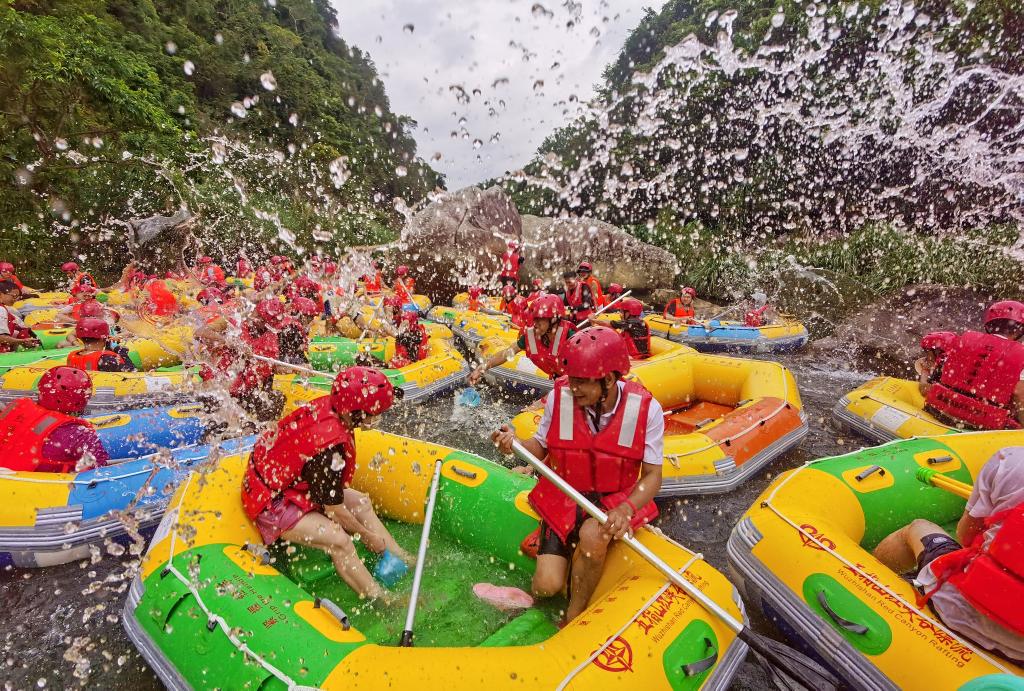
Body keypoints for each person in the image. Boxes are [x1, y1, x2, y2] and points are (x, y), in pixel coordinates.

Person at [491, 326, 664, 622]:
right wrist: (516, 445)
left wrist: (626, 508)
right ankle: (556, 559)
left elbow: (652, 476)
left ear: (608, 379)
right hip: (566, 492)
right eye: (572, 380)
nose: (574, 388)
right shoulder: (561, 397)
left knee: (593, 535)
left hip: (614, 499)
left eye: (583, 382)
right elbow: (541, 447)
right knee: (546, 586)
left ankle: (573, 615)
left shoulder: (647, 410)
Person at [240, 366, 413, 600]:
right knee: (340, 541)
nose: (378, 417)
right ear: (357, 412)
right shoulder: (329, 452)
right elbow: (334, 510)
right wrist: (366, 536)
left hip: (292, 483)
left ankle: (401, 555)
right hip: (272, 501)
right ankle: (384, 599)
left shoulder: (334, 407)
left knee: (360, 502)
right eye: (375, 412)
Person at [872, 446, 1024, 662]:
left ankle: (867, 574)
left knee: (917, 527)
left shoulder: (1011, 460)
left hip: (956, 610)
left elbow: (965, 535)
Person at [924, 301, 1024, 430]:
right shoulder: (1021, 354)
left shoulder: (963, 339)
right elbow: (1019, 394)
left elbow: (939, 373)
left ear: (989, 323)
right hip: (982, 424)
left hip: (939, 409)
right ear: (1020, 330)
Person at [0, 366, 109, 472]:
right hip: (30, 486)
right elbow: (99, 467)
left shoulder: (17, 406)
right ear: (82, 398)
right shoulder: (77, 433)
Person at [468, 294, 574, 386]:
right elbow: (506, 353)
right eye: (534, 319)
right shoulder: (531, 335)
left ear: (553, 319)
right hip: (558, 382)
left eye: (539, 320)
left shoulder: (571, 336)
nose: (534, 324)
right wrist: (481, 368)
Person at [67, 318, 135, 372]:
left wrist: (108, 350)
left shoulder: (72, 355)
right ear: (104, 338)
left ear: (80, 338)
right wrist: (123, 354)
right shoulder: (105, 359)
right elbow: (132, 372)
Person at [278, 297, 320, 366]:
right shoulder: (291, 328)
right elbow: (293, 351)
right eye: (310, 317)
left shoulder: (291, 323)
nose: (311, 320)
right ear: (301, 315)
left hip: (288, 358)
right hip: (285, 362)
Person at [0, 280, 39, 352]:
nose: (15, 300)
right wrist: (22, 341)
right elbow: (1, 338)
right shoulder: (1, 310)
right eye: (13, 296)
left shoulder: (5, 309)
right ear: (1, 294)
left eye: (17, 297)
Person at [916, 331, 957, 397]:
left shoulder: (945, 365)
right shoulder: (952, 360)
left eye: (927, 351)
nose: (927, 357)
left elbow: (924, 390)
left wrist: (924, 371)